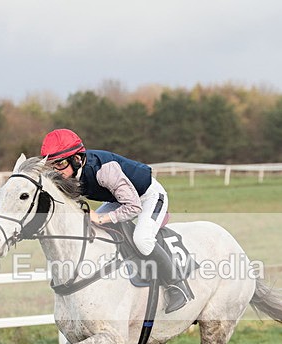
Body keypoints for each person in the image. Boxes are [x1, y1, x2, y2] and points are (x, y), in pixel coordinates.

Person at [40, 128, 191, 313]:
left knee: (142, 239)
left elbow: (134, 206)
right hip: (118, 199)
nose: (56, 171)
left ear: (77, 159)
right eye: (51, 165)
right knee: (90, 227)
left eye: (60, 164)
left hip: (148, 197)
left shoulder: (104, 170)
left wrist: (103, 217)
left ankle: (177, 285)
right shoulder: (69, 172)